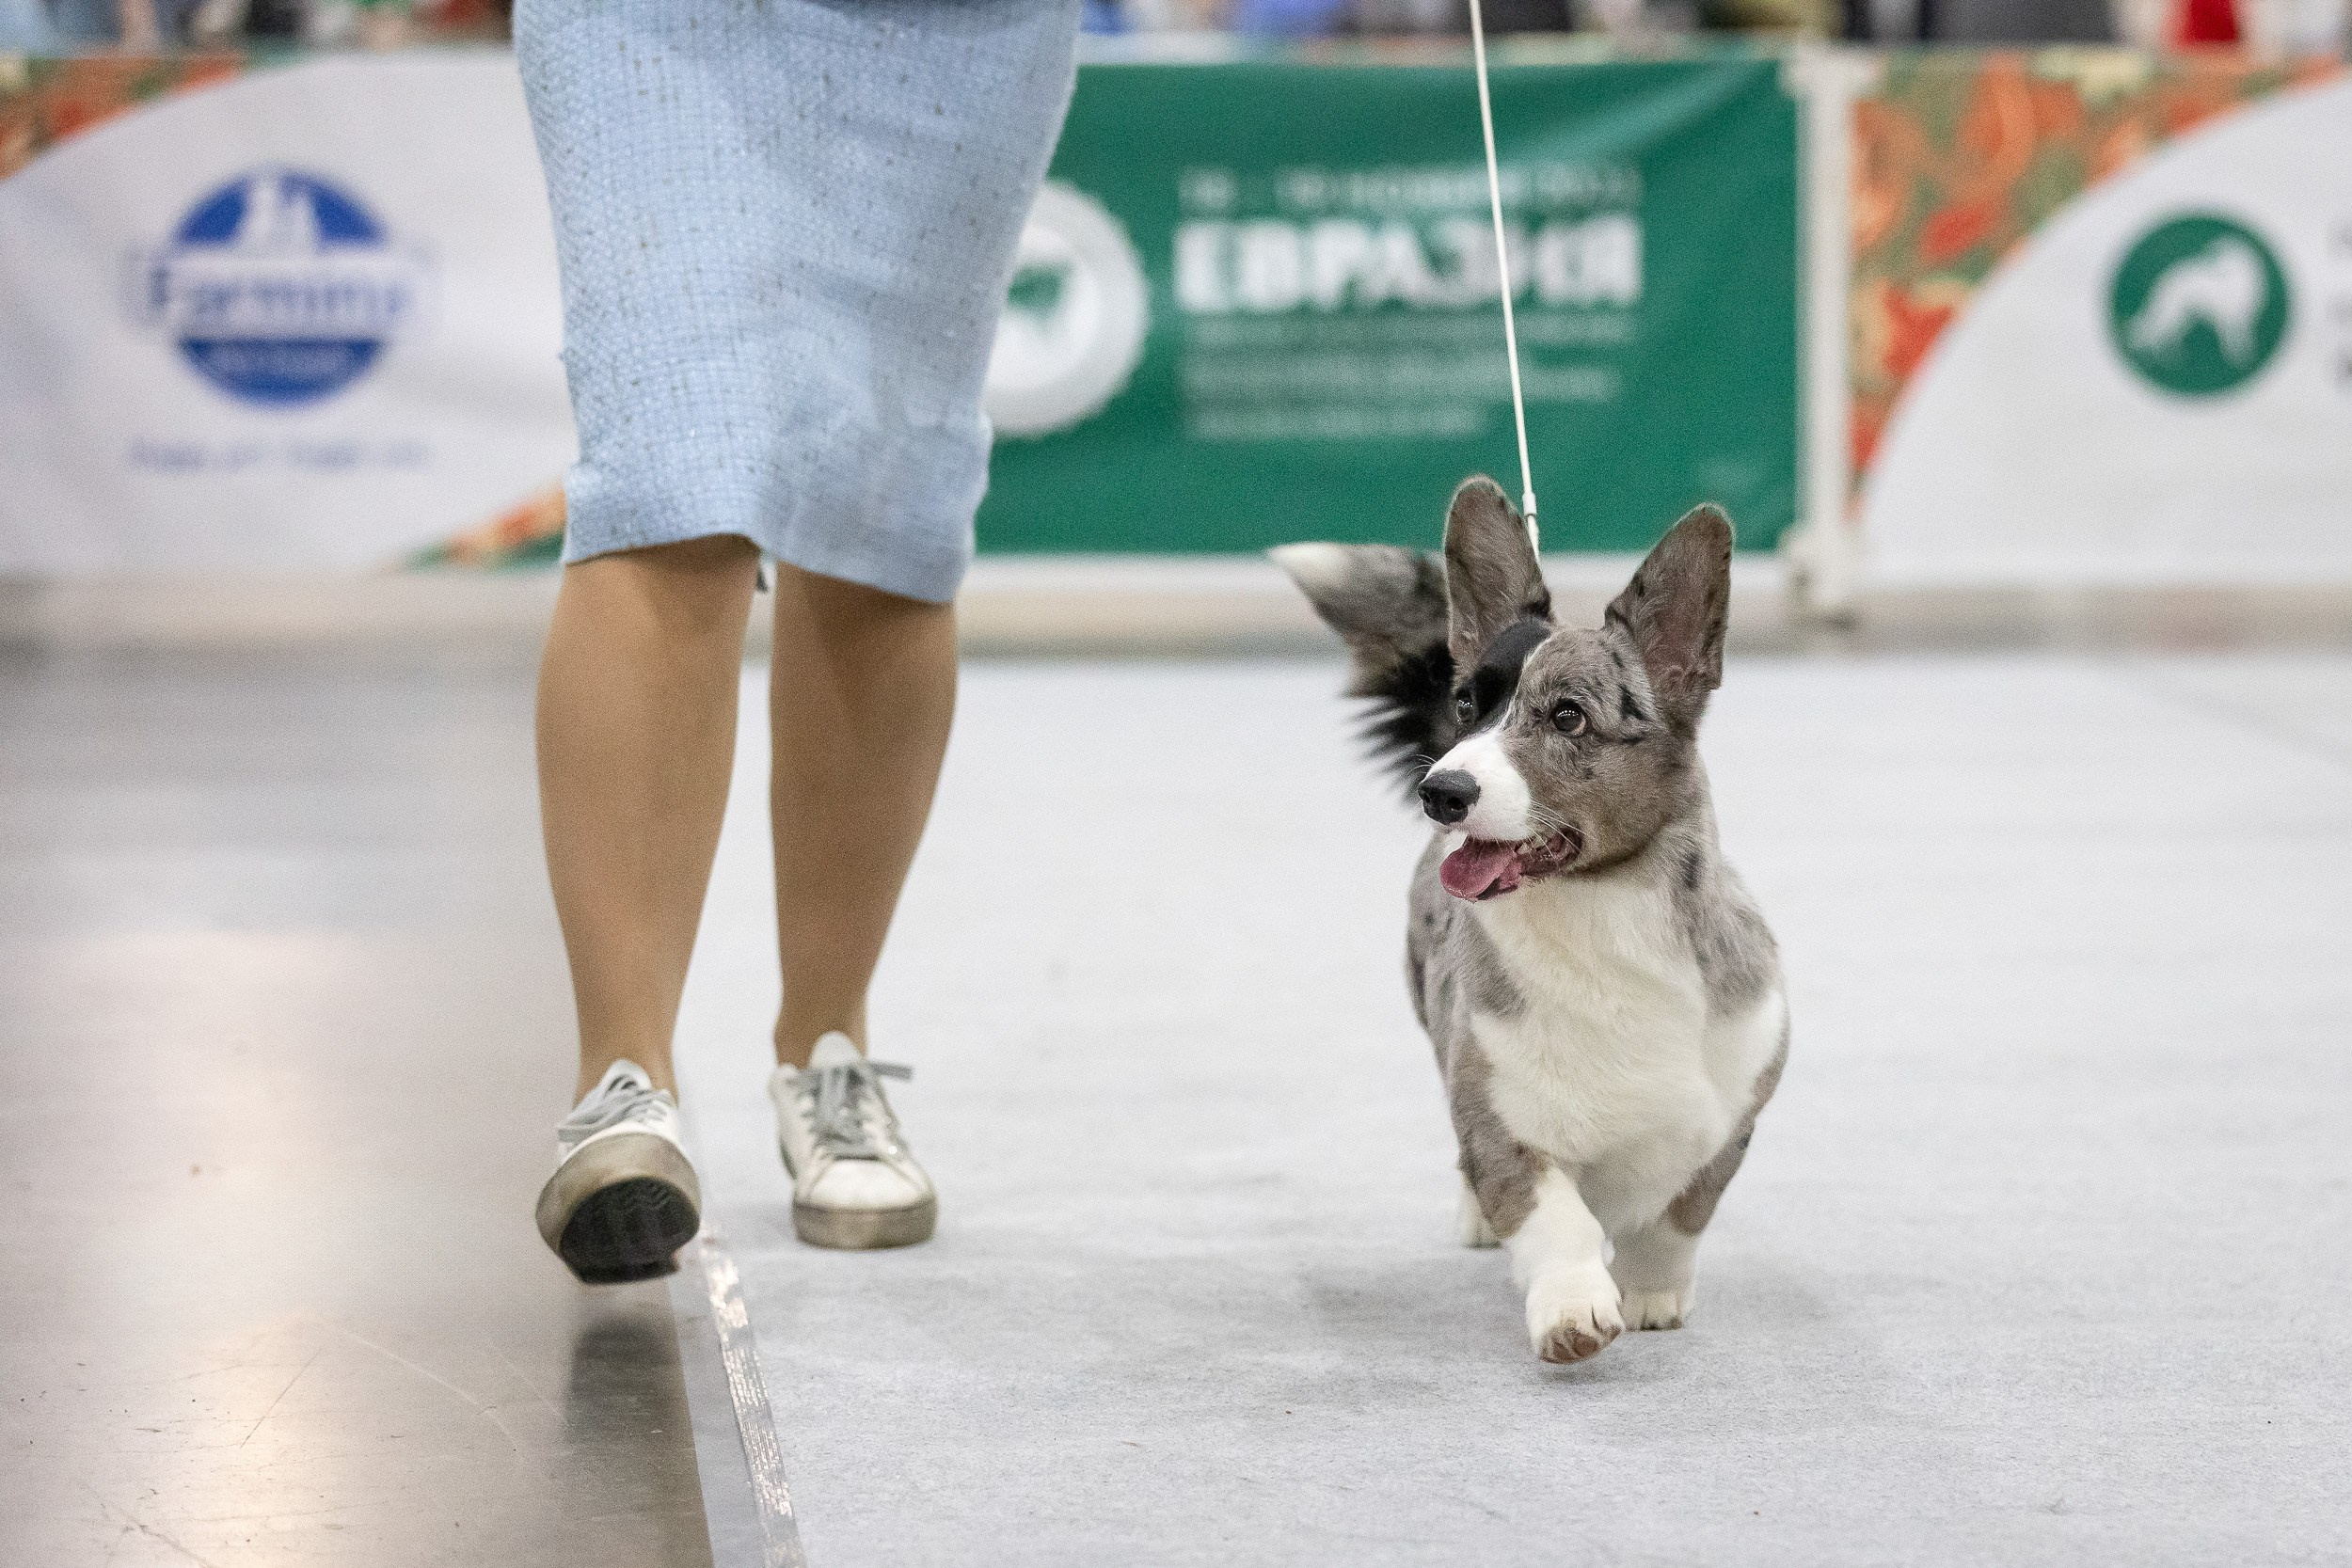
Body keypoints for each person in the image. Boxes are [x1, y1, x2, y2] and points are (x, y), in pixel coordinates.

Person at [517, 0, 1082, 1283]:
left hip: (962, 33)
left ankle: (827, 1052)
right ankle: (623, 1080)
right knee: (666, 474)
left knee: (888, 495)